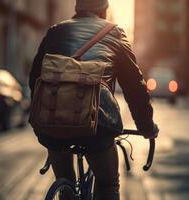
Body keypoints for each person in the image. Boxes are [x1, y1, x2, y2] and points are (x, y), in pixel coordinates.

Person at [29, 0, 159, 199]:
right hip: (98, 123)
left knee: (65, 179)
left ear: (77, 9)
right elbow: (135, 86)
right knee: (108, 184)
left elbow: (35, 78)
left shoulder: (55, 31)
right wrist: (146, 126)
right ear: (104, 10)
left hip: (53, 123)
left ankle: (66, 191)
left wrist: (44, 116)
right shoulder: (115, 32)